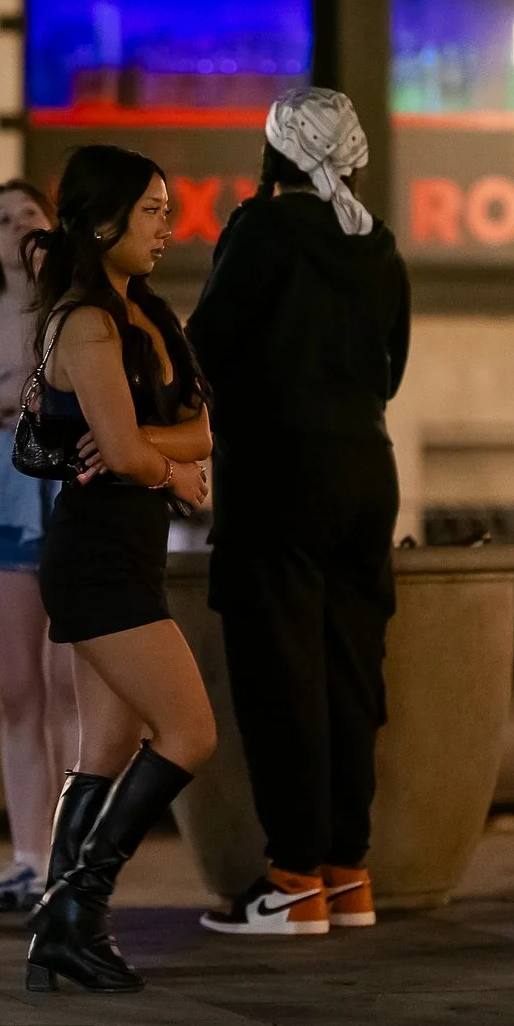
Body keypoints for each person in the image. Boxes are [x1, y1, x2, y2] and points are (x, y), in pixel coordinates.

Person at [188, 89, 409, 935]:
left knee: (282, 675)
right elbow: (389, 369)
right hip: (366, 465)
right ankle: (348, 874)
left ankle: (292, 879)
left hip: (280, 470)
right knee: (352, 671)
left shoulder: (262, 232)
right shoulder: (378, 243)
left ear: (276, 154)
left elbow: (207, 349)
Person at [22, 144, 217, 994]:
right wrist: (168, 468)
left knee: (104, 741)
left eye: (168, 210)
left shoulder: (153, 315)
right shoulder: (87, 322)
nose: (166, 226)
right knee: (190, 732)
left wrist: (157, 456)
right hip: (96, 553)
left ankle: (62, 927)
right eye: (150, 211)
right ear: (102, 222)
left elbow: (202, 433)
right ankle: (74, 904)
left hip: (130, 546)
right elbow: (145, 453)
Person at [0, 178, 78, 914]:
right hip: (0, 510)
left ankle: (68, 852)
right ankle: (29, 854)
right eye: (0, 218)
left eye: (29, 214)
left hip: (66, 511)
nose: (16, 227)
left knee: (69, 687)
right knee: (19, 689)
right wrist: (3, 402)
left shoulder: (74, 312)